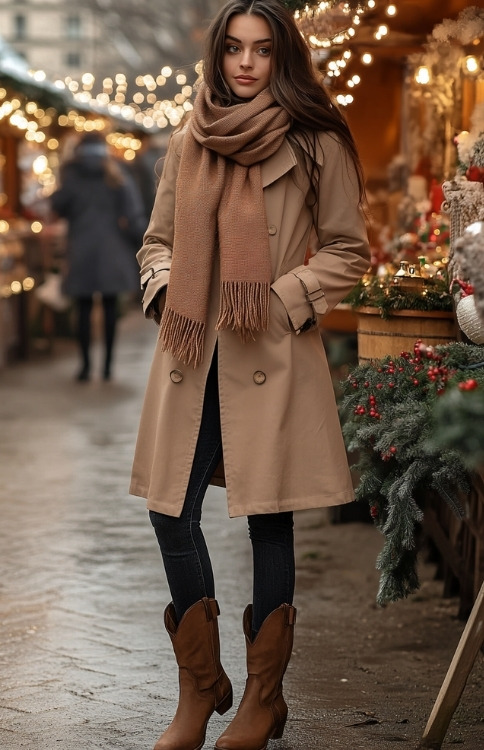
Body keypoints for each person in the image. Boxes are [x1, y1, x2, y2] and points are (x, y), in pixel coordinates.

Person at [129, 1, 371, 748]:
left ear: (282, 58)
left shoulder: (317, 141)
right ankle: (201, 690)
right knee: (172, 511)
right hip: (191, 354)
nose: (245, 63)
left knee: (270, 515)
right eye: (233, 48)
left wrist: (279, 300)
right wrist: (169, 286)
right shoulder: (189, 139)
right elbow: (156, 241)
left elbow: (347, 251)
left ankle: (263, 701)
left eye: (262, 51)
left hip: (267, 351)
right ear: (216, 55)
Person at [50, 132, 147, 381]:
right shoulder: (117, 174)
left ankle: (84, 366)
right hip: (112, 251)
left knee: (82, 308)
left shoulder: (71, 175)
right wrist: (142, 245)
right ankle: (107, 367)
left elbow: (57, 206)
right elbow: (134, 216)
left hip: (81, 249)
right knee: (110, 307)